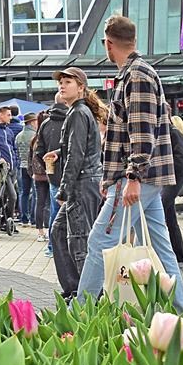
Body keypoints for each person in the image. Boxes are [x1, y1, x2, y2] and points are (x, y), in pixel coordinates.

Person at [77, 15, 183, 310]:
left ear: (108, 43)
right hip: (141, 178)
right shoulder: (137, 73)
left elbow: (140, 131)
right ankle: (180, 311)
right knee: (162, 249)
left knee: (99, 243)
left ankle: (78, 316)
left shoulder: (136, 75)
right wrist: (113, 178)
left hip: (137, 177)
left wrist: (131, 177)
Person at [45, 68, 105, 297]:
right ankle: (74, 289)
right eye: (60, 82)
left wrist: (64, 189)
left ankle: (91, 298)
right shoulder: (78, 112)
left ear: (81, 87)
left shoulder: (79, 112)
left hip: (82, 183)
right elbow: (76, 148)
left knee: (79, 241)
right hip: (84, 181)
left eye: (68, 82)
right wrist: (60, 151)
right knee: (59, 231)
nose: (62, 85)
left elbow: (77, 155)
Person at [35, 97, 68, 257]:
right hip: (73, 173)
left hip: (53, 172)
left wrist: (48, 167)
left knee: (55, 211)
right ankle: (66, 246)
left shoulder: (45, 124)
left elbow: (39, 150)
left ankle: (52, 247)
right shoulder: (74, 119)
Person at [164, 115, 183, 265]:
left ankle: (169, 256)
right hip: (171, 178)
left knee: (161, 213)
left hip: (173, 178)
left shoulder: (173, 132)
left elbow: (181, 159)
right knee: (169, 217)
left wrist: (168, 172)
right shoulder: (168, 132)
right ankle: (180, 255)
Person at [29, 129, 50, 243]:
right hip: (49, 174)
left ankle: (40, 232)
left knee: (39, 203)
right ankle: (47, 230)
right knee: (48, 203)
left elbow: (30, 158)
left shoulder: (34, 139)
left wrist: (31, 172)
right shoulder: (48, 137)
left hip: (37, 175)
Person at [16, 113, 38, 225]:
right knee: (35, 193)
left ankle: (23, 218)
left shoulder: (19, 136)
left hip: (22, 166)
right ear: (32, 122)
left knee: (23, 193)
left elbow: (17, 152)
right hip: (33, 168)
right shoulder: (35, 136)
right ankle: (34, 219)